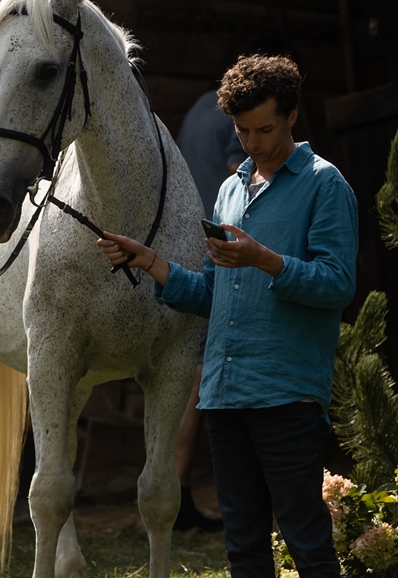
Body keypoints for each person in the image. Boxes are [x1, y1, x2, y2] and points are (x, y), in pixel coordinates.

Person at [97, 55, 357, 578]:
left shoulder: (325, 186)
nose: (253, 142)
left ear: (292, 116)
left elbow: (336, 285)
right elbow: (215, 295)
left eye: (264, 128)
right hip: (223, 392)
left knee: (307, 541)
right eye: (242, 131)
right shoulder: (230, 190)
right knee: (242, 545)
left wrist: (264, 259)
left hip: (286, 392)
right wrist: (150, 261)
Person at [172, 90, 244, 532]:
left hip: (186, 244)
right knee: (198, 375)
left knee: (191, 373)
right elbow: (248, 181)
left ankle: (176, 491)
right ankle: (176, 491)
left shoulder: (199, 106)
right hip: (216, 251)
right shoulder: (235, 116)